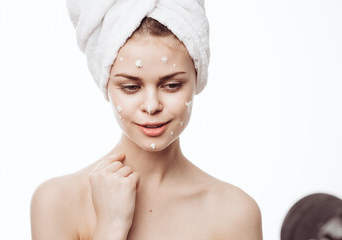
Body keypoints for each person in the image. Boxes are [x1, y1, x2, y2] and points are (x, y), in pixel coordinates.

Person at [30, 1, 263, 239]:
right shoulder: (57, 202)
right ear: (106, 84)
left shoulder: (235, 213)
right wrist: (111, 226)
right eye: (131, 87)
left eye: (172, 85)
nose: (151, 106)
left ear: (197, 79)